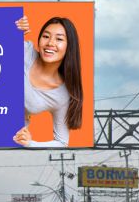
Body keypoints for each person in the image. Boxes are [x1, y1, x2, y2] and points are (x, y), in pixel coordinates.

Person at [13, 14, 86, 147]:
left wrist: (31, 144)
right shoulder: (24, 51)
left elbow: (62, 142)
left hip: (8, 136)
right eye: (46, 36)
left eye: (59, 39)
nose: (50, 43)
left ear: (69, 46)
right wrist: (12, 29)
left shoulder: (62, 95)